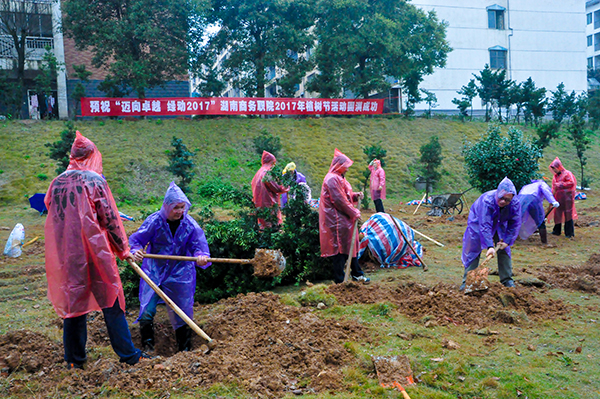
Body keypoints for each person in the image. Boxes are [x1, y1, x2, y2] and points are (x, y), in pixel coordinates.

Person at [44, 131, 145, 369]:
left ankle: (74, 360)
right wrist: (123, 249)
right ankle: (128, 355)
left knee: (74, 303)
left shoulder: (57, 182)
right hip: (97, 253)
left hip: (69, 254)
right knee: (111, 301)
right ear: (91, 155)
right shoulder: (95, 181)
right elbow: (110, 219)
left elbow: (51, 211)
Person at [129, 182, 211, 353]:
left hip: (181, 273)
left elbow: (199, 245)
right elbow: (137, 240)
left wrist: (202, 256)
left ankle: (185, 350)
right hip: (154, 271)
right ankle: (148, 349)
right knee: (147, 310)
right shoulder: (154, 222)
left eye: (182, 207)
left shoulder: (189, 225)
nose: (180, 211)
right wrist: (136, 251)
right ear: (167, 207)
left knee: (182, 312)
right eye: (176, 208)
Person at [460, 177, 521, 290]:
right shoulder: (487, 201)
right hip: (478, 221)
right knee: (473, 247)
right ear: (497, 193)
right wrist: (489, 246)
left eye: (507, 200)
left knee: (504, 249)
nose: (503, 201)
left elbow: (515, 224)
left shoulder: (515, 204)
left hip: (500, 222)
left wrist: (507, 241)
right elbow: (485, 225)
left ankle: (507, 279)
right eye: (501, 198)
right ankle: (466, 282)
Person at [319, 149, 370, 284]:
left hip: (344, 219)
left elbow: (345, 196)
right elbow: (339, 200)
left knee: (350, 245)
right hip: (335, 219)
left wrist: (355, 196)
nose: (347, 169)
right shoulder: (331, 179)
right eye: (346, 166)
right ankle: (340, 279)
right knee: (339, 249)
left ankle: (356, 274)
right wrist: (354, 212)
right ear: (339, 166)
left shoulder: (340, 178)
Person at [251, 150, 289, 228]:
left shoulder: (258, 172)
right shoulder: (267, 173)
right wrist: (286, 187)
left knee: (262, 226)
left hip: (258, 204)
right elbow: (277, 188)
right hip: (268, 203)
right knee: (271, 227)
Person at [517, 179, 559, 245]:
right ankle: (544, 243)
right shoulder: (542, 184)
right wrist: (553, 201)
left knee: (518, 218)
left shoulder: (527, 186)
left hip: (521, 198)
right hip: (533, 198)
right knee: (540, 221)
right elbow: (546, 191)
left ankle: (512, 238)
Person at [549, 157, 577, 239]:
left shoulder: (567, 173)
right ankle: (556, 231)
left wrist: (561, 184)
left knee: (568, 215)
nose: (554, 171)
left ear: (559, 167)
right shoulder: (555, 176)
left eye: (555, 169)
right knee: (557, 214)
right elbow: (554, 187)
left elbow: (571, 182)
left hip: (567, 198)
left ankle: (569, 233)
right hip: (558, 198)